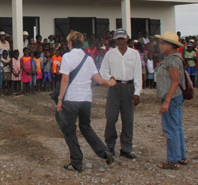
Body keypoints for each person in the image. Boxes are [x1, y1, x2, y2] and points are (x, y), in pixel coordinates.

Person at [56, 31, 115, 172]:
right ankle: (104, 152)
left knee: (70, 131)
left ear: (70, 43)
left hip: (71, 99)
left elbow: (65, 79)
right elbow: (99, 80)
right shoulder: (88, 59)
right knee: (86, 127)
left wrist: (59, 100)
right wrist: (110, 83)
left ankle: (77, 161)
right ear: (82, 44)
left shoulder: (67, 57)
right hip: (86, 99)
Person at [99, 28, 142, 159]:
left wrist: (137, 92)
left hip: (129, 87)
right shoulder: (110, 54)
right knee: (111, 118)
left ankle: (126, 148)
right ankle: (110, 146)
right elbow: (103, 71)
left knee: (128, 119)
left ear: (127, 38)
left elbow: (138, 74)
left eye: (123, 38)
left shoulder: (134, 54)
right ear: (115, 40)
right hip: (115, 87)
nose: (121, 41)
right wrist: (110, 78)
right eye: (118, 39)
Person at [154, 31, 187, 170]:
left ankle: (173, 160)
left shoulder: (172, 60)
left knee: (171, 129)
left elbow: (175, 81)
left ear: (171, 45)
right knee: (177, 127)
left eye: (163, 43)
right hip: (175, 97)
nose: (160, 45)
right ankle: (181, 156)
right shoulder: (173, 57)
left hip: (172, 98)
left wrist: (167, 101)